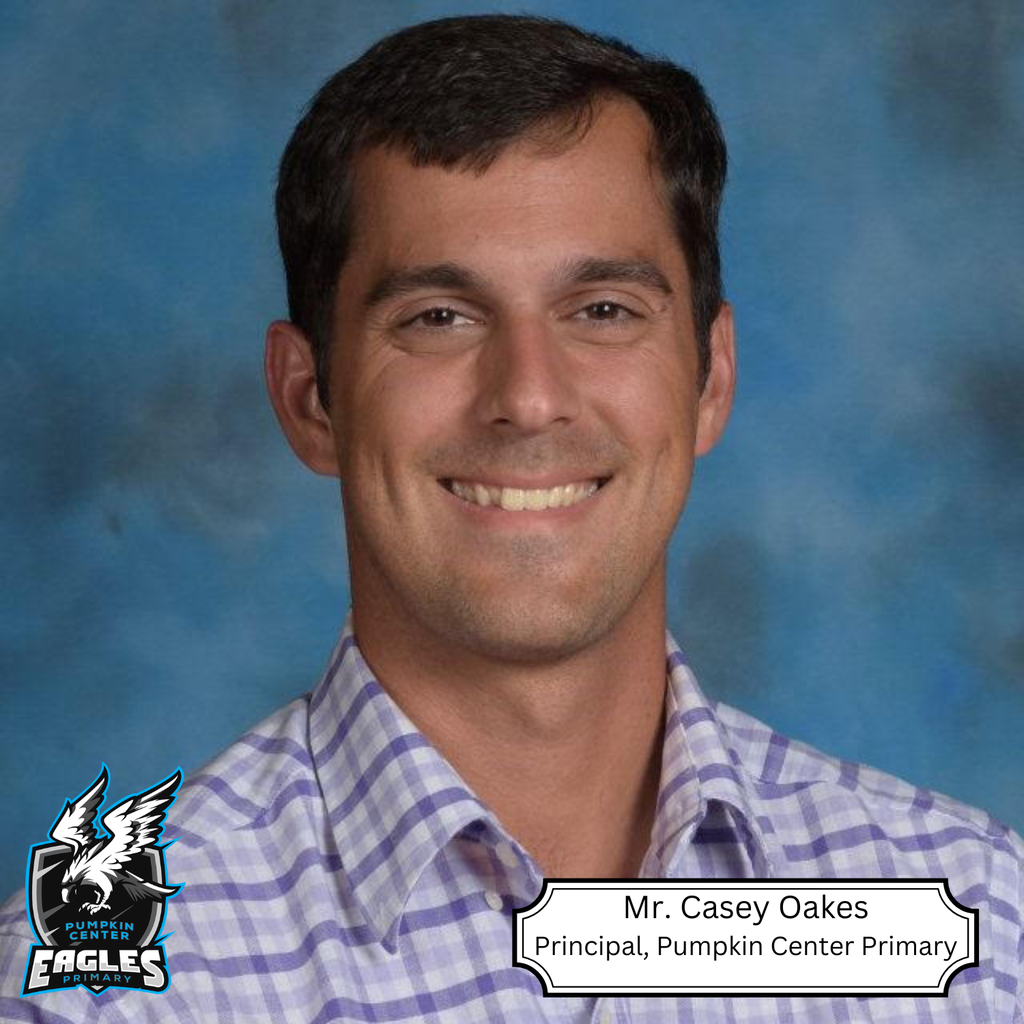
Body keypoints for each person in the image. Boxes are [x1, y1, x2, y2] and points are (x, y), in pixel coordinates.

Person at [1, 13, 1020, 1023]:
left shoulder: (977, 925)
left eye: (603, 310)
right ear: (311, 398)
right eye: (438, 318)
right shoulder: (111, 980)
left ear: (710, 377)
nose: (529, 397)